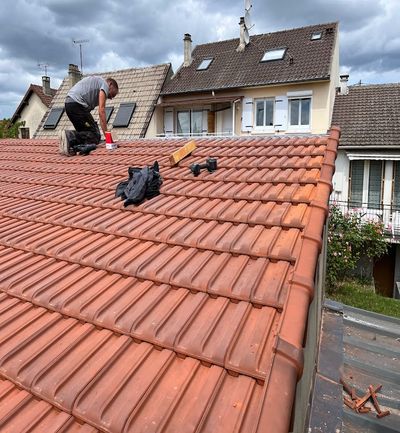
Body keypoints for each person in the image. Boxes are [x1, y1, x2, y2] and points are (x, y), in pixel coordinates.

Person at [60, 76, 119, 156]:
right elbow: (101, 111)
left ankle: (73, 146)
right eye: (113, 94)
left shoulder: (97, 84)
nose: (111, 98)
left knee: (86, 134)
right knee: (95, 135)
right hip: (76, 105)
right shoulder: (104, 84)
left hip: (69, 104)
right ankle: (69, 136)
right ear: (110, 84)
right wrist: (107, 137)